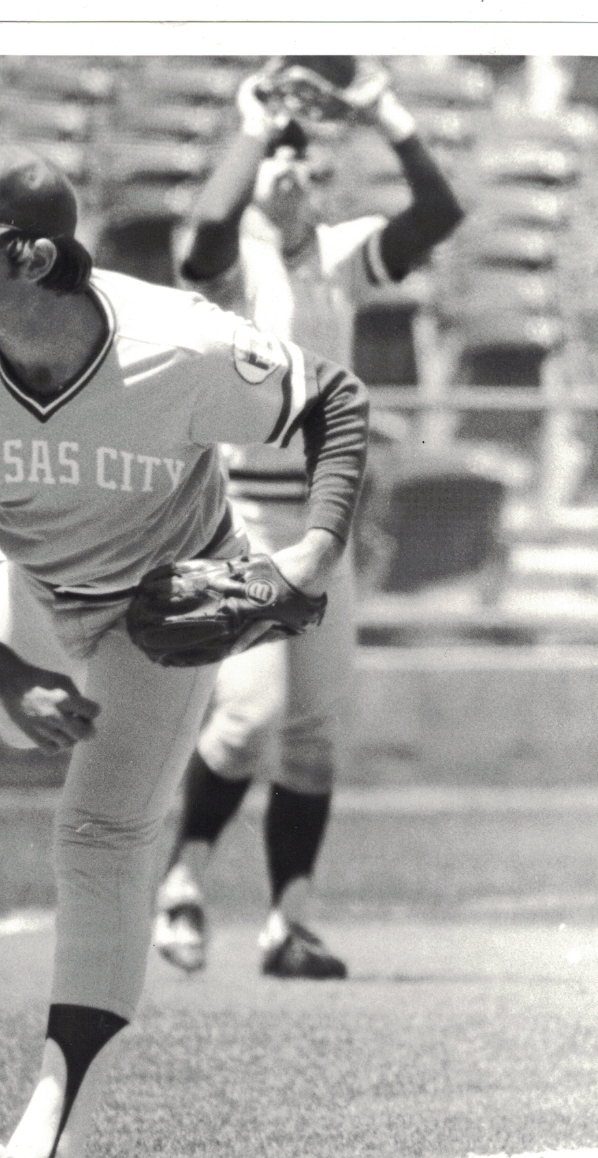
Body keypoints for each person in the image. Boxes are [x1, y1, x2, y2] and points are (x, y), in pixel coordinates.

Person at [0, 143, 369, 1158]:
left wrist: (309, 556)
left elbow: (336, 401)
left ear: (35, 258)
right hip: (31, 587)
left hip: (156, 605)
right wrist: (1, 671)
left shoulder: (176, 344)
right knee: (14, 720)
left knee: (97, 832)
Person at [153, 57, 464, 979]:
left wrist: (385, 113)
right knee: (248, 715)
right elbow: (205, 226)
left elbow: (438, 215)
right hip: (243, 513)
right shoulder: (232, 260)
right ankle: (181, 881)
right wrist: (253, 127)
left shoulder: (334, 254)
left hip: (324, 521)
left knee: (317, 733)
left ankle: (289, 919)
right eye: (281, 160)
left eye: (306, 160)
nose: (296, 174)